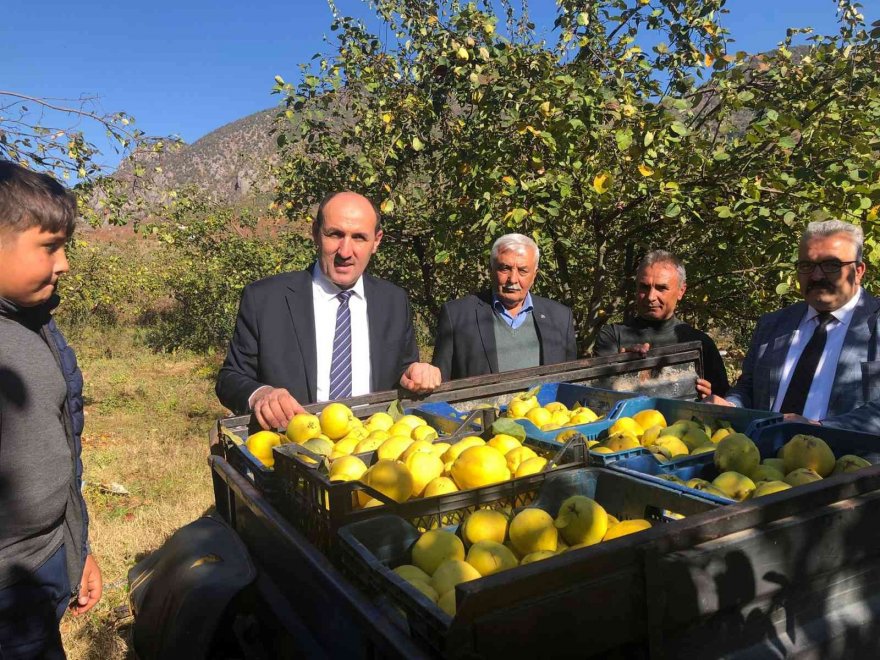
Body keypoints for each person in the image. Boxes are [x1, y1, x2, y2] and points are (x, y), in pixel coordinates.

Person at [216, 191, 441, 430]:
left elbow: (401, 372)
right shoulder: (266, 299)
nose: (345, 252)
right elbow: (230, 379)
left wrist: (416, 373)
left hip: (373, 452)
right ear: (316, 233)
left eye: (359, 238)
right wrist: (262, 394)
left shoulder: (393, 302)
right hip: (291, 450)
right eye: (335, 234)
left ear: (376, 241)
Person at [0, 161, 102, 658]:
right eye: (49, 247)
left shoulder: (35, 324)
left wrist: (76, 548)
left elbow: (62, 443)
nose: (63, 264)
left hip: (41, 568)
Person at [706, 220, 880, 432]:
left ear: (859, 271)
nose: (816, 276)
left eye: (831, 265)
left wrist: (817, 428)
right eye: (806, 266)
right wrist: (731, 406)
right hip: (763, 460)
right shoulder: (772, 325)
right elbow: (750, 388)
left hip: (854, 462)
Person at [431, 233, 577, 380]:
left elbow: (569, 384)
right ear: (491, 270)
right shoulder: (457, 316)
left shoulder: (560, 318)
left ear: (534, 275)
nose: (512, 279)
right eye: (505, 268)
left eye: (522, 271)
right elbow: (441, 384)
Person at [594, 249, 730, 396]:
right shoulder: (612, 336)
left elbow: (724, 402)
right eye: (644, 287)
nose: (651, 296)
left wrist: (711, 396)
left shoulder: (701, 343)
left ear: (681, 291)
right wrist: (621, 366)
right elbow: (597, 396)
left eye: (661, 288)